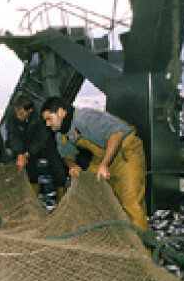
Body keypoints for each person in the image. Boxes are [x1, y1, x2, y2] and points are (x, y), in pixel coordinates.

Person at [40, 96, 148, 230]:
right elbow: (68, 155)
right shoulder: (61, 133)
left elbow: (116, 135)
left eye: (49, 119)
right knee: (87, 192)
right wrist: (72, 165)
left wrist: (104, 165)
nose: (47, 124)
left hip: (125, 150)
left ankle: (143, 248)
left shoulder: (84, 118)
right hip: (102, 155)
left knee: (130, 202)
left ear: (61, 112)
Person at [6, 93, 67, 199]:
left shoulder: (41, 113)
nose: (18, 116)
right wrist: (20, 153)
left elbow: (42, 138)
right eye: (16, 113)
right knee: (29, 170)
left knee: (56, 166)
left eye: (21, 113)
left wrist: (27, 153)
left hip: (46, 139)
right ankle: (33, 199)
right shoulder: (12, 113)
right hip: (26, 139)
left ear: (29, 110)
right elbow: (13, 135)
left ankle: (61, 198)